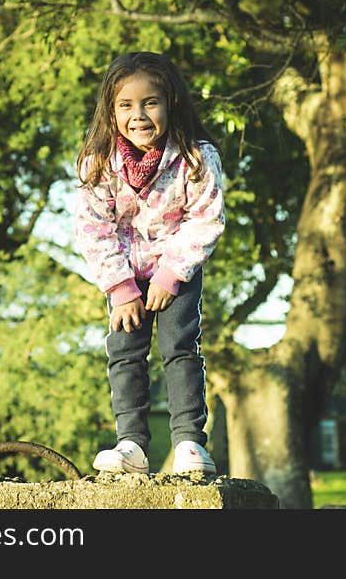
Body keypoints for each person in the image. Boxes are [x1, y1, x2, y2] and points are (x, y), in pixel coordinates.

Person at [74, 52, 225, 474]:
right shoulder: (100, 162)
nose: (138, 115)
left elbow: (206, 220)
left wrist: (172, 274)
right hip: (124, 275)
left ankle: (190, 444)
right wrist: (121, 290)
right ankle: (132, 446)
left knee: (180, 350)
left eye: (150, 102)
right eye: (126, 105)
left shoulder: (195, 158)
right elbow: (93, 228)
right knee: (125, 354)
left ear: (171, 102)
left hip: (177, 270)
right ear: (111, 110)